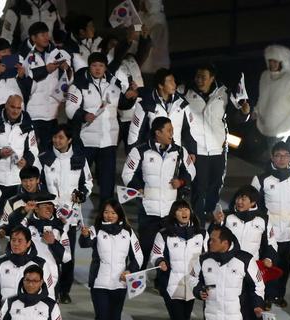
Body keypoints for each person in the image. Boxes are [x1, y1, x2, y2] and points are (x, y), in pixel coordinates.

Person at [212, 185, 277, 320]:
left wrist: (269, 258)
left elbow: (271, 244)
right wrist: (216, 223)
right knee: (233, 312)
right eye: (238, 197)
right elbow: (214, 240)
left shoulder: (263, 219)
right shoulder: (227, 217)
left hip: (253, 271)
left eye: (244, 199)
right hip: (230, 270)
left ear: (253, 202)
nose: (240, 201)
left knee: (255, 311)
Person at [190, 226, 264, 320]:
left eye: (213, 240)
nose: (209, 242)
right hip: (212, 317)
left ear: (225, 243)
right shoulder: (203, 259)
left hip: (234, 318)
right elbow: (192, 279)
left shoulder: (245, 259)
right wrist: (198, 290)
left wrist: (257, 304)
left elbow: (258, 284)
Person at [78, 199, 142, 320]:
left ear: (119, 214)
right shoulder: (95, 230)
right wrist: (84, 236)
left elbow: (138, 257)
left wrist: (130, 270)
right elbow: (85, 243)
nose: (109, 215)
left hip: (119, 284)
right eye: (106, 212)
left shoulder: (128, 232)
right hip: (99, 284)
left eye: (113, 212)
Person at [181, 63, 249, 221]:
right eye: (197, 76)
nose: (199, 80)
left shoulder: (224, 93)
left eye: (203, 77)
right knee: (199, 187)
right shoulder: (186, 92)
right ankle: (197, 221)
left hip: (218, 149)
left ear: (212, 78)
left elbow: (235, 118)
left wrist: (244, 114)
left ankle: (210, 216)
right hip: (198, 150)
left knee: (216, 185)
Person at [251, 141, 290, 307]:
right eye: (278, 155)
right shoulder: (261, 179)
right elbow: (253, 203)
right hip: (268, 233)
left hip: (289, 231)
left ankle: (278, 295)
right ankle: (264, 297)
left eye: (285, 155)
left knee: (284, 266)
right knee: (267, 265)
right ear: (272, 157)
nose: (281, 159)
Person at [121, 115, 192, 263]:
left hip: (171, 212)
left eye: (172, 130)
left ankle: (161, 284)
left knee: (167, 252)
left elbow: (191, 171)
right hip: (148, 211)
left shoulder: (180, 151)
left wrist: (181, 181)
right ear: (158, 133)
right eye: (169, 130)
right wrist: (138, 187)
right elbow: (127, 173)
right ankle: (137, 281)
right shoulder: (139, 151)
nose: (172, 133)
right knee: (144, 250)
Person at [0, 94, 39, 254]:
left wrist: (27, 160)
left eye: (18, 108)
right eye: (12, 107)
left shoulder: (27, 126)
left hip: (17, 180)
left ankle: (13, 246)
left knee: (15, 216)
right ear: (6, 105)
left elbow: (33, 149)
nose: (15, 111)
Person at [39, 124, 92, 303]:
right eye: (55, 137)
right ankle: (47, 286)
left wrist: (82, 194)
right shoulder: (44, 158)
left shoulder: (79, 159)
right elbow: (39, 184)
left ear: (69, 140)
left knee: (68, 254)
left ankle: (65, 290)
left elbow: (88, 183)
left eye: (61, 137)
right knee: (47, 251)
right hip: (49, 214)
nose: (57, 140)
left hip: (70, 216)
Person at [151, 200, 204, 320]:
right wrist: (160, 261)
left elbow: (207, 255)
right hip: (171, 284)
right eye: (179, 209)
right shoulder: (165, 234)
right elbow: (155, 254)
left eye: (186, 208)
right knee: (178, 319)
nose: (183, 212)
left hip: (191, 283)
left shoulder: (200, 233)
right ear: (174, 213)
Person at [65, 52, 125, 204]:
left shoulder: (114, 85)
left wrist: (129, 97)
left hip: (108, 142)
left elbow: (123, 105)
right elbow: (70, 109)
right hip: (87, 141)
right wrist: (84, 115)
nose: (98, 69)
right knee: (79, 179)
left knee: (107, 182)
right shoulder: (79, 85)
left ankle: (106, 217)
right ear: (89, 67)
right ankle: (73, 212)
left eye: (101, 66)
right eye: (94, 65)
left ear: (105, 68)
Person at [20, 21, 69, 149]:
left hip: (52, 112)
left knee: (48, 150)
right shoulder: (21, 52)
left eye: (47, 33)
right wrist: (45, 70)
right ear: (33, 37)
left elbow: (68, 76)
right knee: (31, 149)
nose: (47, 37)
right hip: (32, 113)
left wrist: (66, 69)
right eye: (42, 34)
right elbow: (19, 76)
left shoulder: (56, 52)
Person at [127, 68, 196, 158]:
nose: (174, 84)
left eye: (174, 81)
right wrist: (133, 154)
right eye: (170, 82)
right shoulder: (146, 105)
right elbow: (135, 132)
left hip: (174, 155)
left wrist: (192, 151)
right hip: (151, 155)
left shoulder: (182, 104)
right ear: (160, 85)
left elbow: (189, 130)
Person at [253, 45, 290, 150]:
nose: (272, 64)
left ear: (282, 62)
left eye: (275, 62)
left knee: (276, 151)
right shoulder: (265, 77)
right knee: (267, 152)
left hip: (283, 123)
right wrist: (256, 111)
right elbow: (262, 97)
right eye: (270, 61)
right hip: (266, 123)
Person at [136, 0, 170, 75]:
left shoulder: (159, 21)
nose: (141, 4)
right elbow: (138, 27)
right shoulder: (142, 15)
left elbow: (150, 41)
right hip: (141, 62)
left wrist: (137, 34)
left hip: (154, 65)